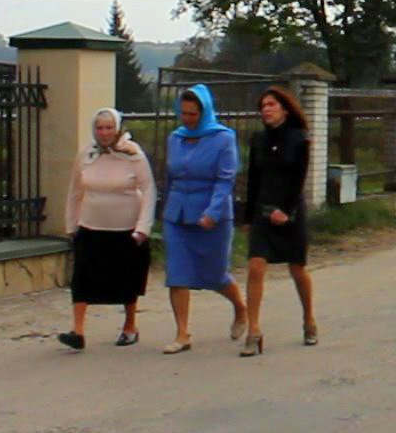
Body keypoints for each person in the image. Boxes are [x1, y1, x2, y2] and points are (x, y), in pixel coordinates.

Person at [160, 85, 248, 354]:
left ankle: (240, 308)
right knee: (177, 274)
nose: (187, 118)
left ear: (205, 111)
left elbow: (225, 180)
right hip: (177, 214)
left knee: (214, 274)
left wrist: (213, 211)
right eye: (183, 113)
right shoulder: (175, 138)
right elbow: (170, 176)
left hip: (212, 214)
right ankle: (182, 333)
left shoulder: (223, 138)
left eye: (193, 114)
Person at [57, 108, 155, 350]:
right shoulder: (87, 154)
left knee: (126, 278)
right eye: (100, 128)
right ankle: (77, 331)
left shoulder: (133, 154)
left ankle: (129, 326)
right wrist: (71, 225)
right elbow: (75, 191)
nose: (104, 133)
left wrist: (143, 227)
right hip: (91, 226)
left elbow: (149, 189)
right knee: (82, 278)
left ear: (118, 128)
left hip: (125, 228)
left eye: (109, 127)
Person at [239, 86, 318, 356]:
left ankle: (308, 319)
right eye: (263, 106)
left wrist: (285, 210)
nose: (266, 110)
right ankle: (254, 330)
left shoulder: (299, 139)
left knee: (297, 270)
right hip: (262, 211)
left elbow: (299, 179)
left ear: (285, 108)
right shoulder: (258, 140)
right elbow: (253, 180)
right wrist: (248, 216)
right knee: (256, 266)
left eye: (271, 104)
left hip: (291, 212)